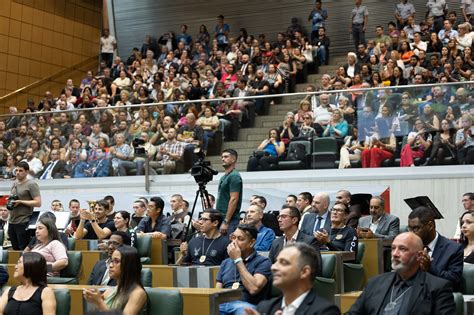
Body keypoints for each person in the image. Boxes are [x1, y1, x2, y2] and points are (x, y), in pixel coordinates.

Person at [348, 232, 455, 314]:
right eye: (393, 248)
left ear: (419, 255)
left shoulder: (438, 288)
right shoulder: (375, 283)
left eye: (402, 249)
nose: (395, 254)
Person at [250, 243, 339, 315]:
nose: (273, 267)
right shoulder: (264, 308)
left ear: (304, 272)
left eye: (284, 263)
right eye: (276, 262)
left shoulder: (325, 311)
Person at [216, 224, 272, 314]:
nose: (234, 242)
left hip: (246, 305)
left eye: (240, 239)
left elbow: (254, 288)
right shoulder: (225, 262)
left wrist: (238, 260)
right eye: (233, 237)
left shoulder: (263, 262)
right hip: (223, 304)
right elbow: (217, 292)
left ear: (252, 242)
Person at [408, 206, 464, 290]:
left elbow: (454, 281)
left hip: (438, 298)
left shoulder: (453, 249)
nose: (411, 233)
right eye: (409, 228)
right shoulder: (410, 246)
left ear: (430, 226)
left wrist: (429, 267)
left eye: (416, 228)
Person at [83, 246, 147, 313]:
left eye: (116, 261)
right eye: (111, 261)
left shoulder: (137, 293)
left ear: (129, 266)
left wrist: (99, 302)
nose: (110, 265)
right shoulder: (109, 291)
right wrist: (94, 301)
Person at [8, 161, 42, 250]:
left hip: (23, 221)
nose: (18, 173)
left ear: (27, 172)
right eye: (17, 170)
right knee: (14, 250)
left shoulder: (31, 184)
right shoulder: (14, 183)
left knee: (23, 250)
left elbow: (38, 203)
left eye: (21, 171)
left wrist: (21, 202)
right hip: (12, 220)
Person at [216, 149, 243, 235]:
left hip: (230, 220)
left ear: (233, 159)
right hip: (221, 218)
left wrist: (226, 221)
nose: (223, 159)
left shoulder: (234, 176)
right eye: (222, 157)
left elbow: (234, 199)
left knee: (228, 246)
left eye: (226, 157)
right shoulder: (224, 177)